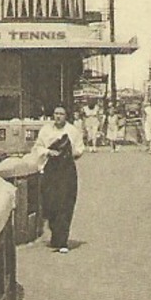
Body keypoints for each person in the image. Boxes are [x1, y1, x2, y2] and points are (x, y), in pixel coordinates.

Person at [34, 105, 85, 253]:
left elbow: (80, 149)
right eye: (56, 113)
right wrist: (49, 152)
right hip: (50, 169)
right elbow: (38, 147)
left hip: (66, 170)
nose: (58, 116)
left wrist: (69, 152)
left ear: (66, 116)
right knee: (50, 202)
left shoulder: (73, 131)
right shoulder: (46, 130)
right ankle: (55, 235)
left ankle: (63, 240)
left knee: (65, 203)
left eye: (61, 114)